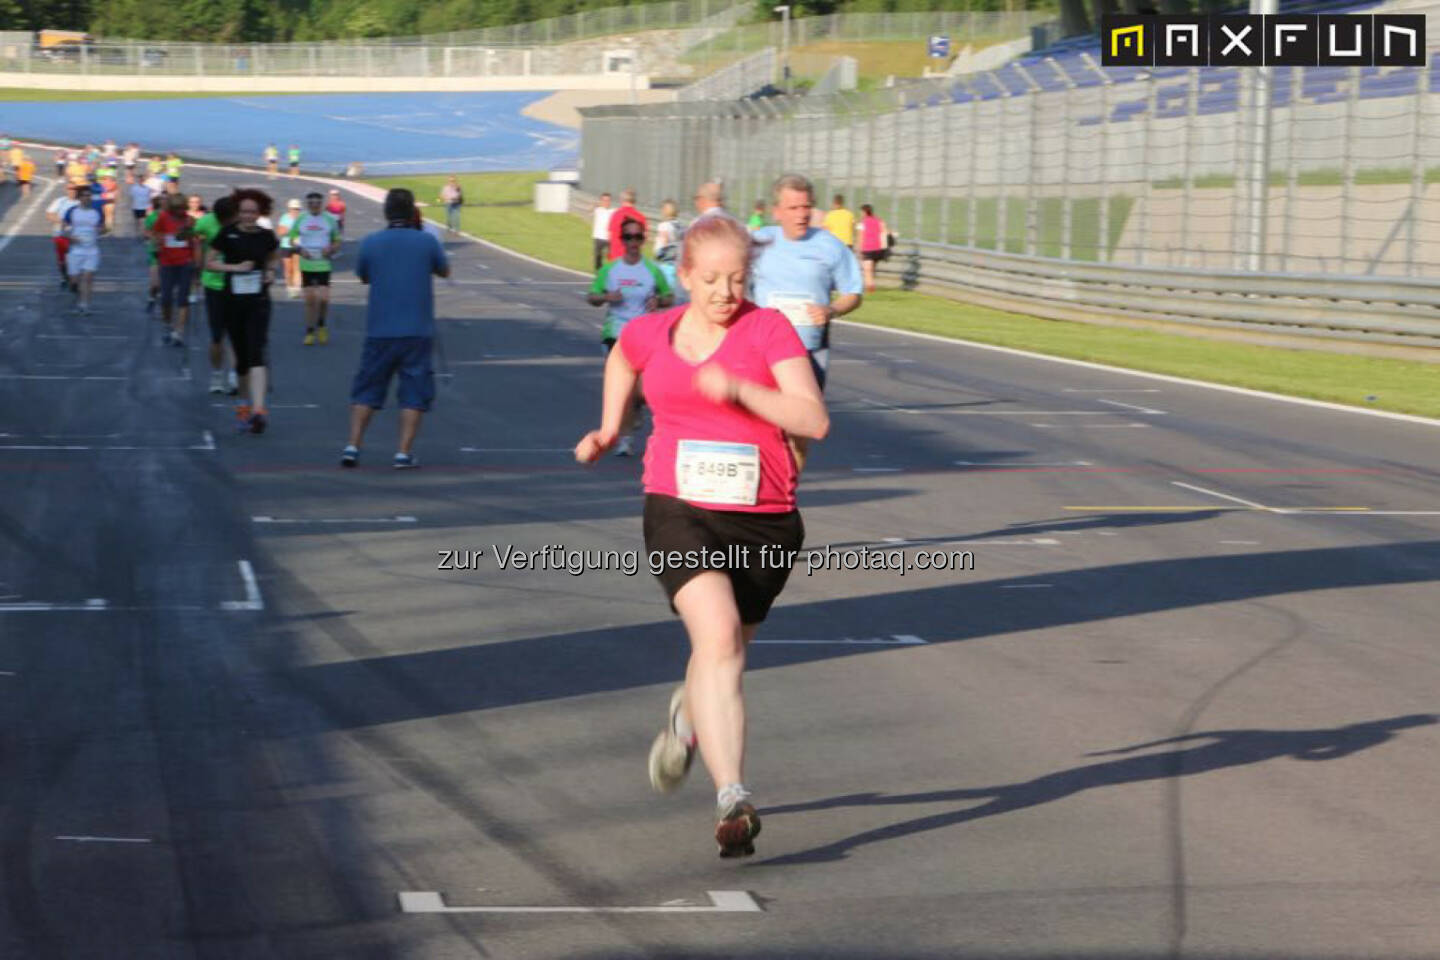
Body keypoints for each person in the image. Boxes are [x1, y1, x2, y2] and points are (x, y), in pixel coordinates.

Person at [573, 214, 829, 859]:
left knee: (723, 656)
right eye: (711, 279)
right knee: (716, 640)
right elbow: (623, 360)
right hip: (677, 505)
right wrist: (609, 428)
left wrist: (742, 389)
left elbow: (813, 419)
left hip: (765, 518)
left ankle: (690, 717)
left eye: (738, 279)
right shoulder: (649, 331)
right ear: (682, 275)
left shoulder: (767, 330)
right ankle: (732, 797)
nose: (724, 292)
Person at [750, 174, 863, 472]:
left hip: (809, 352)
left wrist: (831, 310)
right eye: (793, 208)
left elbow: (853, 293)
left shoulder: (830, 246)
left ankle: (787, 491)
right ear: (777, 211)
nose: (801, 215)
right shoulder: (758, 243)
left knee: (798, 429)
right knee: (760, 427)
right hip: (762, 352)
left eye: (806, 208)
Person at [342, 188, 450, 469]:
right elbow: (444, 270)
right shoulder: (426, 241)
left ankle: (353, 445)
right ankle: (403, 451)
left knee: (367, 388)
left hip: (380, 328)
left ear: (386, 212)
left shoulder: (371, 242)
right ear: (412, 212)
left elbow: (364, 276)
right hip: (417, 329)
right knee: (414, 392)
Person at [586, 217, 673, 457]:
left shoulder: (652, 270)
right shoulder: (610, 270)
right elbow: (591, 297)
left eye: (637, 237)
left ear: (643, 240)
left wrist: (658, 301)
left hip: (644, 334)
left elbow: (669, 297)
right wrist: (606, 297)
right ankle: (624, 438)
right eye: (628, 237)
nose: (633, 242)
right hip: (615, 335)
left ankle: (634, 414)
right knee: (624, 389)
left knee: (639, 391)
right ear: (622, 240)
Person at [207, 188, 280, 435]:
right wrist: (234, 268)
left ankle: (259, 410)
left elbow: (273, 259)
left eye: (253, 212)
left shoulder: (267, 235)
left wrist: (270, 272)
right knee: (241, 360)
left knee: (256, 351)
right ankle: (243, 406)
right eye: (244, 212)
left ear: (261, 213)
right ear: (238, 212)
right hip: (232, 301)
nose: (248, 216)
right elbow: (209, 262)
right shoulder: (227, 234)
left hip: (258, 301)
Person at [192, 194, 239, 394]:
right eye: (225, 220)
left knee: (236, 334)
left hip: (237, 285)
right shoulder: (206, 222)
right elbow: (191, 235)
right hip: (214, 285)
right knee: (217, 336)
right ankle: (217, 375)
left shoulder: (240, 224)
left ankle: (234, 376)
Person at [293, 191, 341, 345]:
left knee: (324, 298)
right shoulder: (301, 218)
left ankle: (321, 325)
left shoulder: (329, 219)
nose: (314, 205)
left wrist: (331, 249)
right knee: (310, 299)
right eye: (311, 203)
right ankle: (309, 331)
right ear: (307, 204)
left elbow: (337, 240)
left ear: (322, 204)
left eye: (317, 203)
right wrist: (300, 249)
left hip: (323, 264)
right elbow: (291, 238)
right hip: (307, 263)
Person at [153, 193, 197, 348]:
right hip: (167, 263)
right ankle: (167, 324)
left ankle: (179, 331)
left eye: (182, 208)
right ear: (172, 208)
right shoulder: (164, 218)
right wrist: (159, 240)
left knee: (182, 298)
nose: (180, 211)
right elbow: (155, 232)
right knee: (166, 298)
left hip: (185, 262)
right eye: (176, 208)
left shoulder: (189, 220)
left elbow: (194, 241)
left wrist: (195, 262)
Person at [62, 184, 104, 315]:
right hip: (75, 251)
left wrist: (101, 230)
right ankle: (78, 297)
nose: (87, 198)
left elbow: (103, 227)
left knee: (88, 278)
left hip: (91, 251)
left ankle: (84, 305)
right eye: (84, 196)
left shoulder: (97, 211)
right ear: (79, 198)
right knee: (74, 282)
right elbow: (64, 228)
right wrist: (70, 237)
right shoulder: (72, 211)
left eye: (89, 196)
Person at [46, 182, 80, 291]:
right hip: (60, 234)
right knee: (62, 261)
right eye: (70, 189)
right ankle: (64, 277)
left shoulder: (80, 202)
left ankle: (74, 280)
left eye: (74, 189)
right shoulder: (60, 201)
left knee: (75, 258)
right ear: (66, 190)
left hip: (75, 236)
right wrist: (61, 221)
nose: (72, 191)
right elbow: (49, 214)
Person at [857, 203, 890, 294]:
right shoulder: (878, 220)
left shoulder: (862, 222)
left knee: (867, 270)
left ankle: (870, 289)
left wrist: (859, 248)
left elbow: (860, 236)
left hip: (867, 248)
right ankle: (871, 287)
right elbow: (885, 231)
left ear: (864, 212)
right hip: (878, 248)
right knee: (871, 269)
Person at [607, 188, 645, 261]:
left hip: (616, 257)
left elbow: (609, 236)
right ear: (634, 201)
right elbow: (643, 241)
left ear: (622, 200)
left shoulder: (615, 215)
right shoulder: (641, 217)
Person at [276, 198, 302, 297]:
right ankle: (290, 287)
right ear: (289, 209)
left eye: (297, 209)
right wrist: (291, 230)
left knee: (297, 267)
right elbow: (280, 231)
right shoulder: (285, 218)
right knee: (288, 268)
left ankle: (296, 288)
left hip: (298, 245)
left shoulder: (302, 218)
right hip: (286, 246)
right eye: (293, 209)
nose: (295, 211)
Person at [590, 191, 613, 271]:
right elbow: (590, 210)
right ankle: (599, 272)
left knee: (611, 257)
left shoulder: (612, 211)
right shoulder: (598, 210)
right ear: (601, 201)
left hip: (609, 238)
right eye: (604, 200)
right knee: (597, 257)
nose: (606, 202)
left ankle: (611, 272)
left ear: (610, 201)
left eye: (608, 200)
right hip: (598, 237)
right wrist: (596, 204)